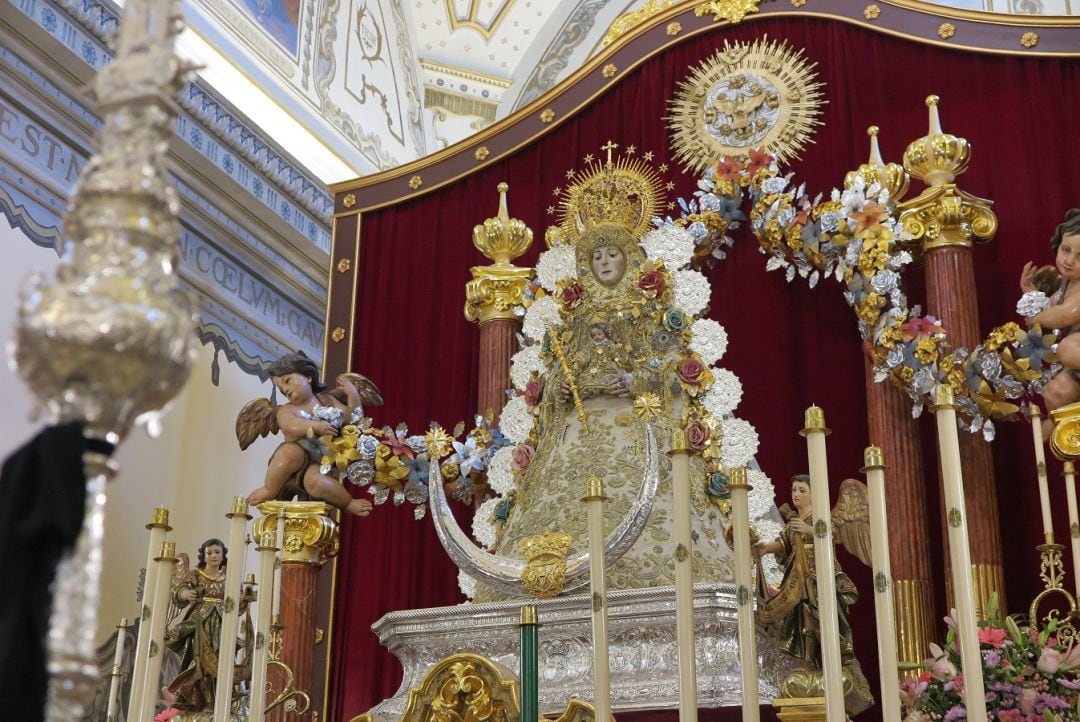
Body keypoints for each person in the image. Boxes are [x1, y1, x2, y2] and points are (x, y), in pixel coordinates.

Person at [239, 352, 377, 516]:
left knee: (316, 483)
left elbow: (353, 420)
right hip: (297, 451)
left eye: (287, 381)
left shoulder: (327, 401)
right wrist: (315, 426)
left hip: (318, 461)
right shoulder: (286, 410)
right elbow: (290, 426)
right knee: (288, 454)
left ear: (308, 377)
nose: (285, 390)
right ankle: (269, 489)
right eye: (281, 389)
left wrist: (353, 395)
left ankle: (347, 502)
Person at [165, 539, 252, 712]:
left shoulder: (229, 578)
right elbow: (179, 590)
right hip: (199, 624)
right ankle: (200, 699)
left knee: (222, 658)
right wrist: (185, 593)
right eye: (210, 552)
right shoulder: (196, 574)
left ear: (223, 555)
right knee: (199, 662)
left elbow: (237, 603)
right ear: (204, 555)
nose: (213, 556)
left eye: (217, 552)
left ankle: (219, 699)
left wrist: (245, 597)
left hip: (221, 625)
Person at [1019, 209, 1080, 435]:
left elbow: (1064, 315)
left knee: (1067, 347)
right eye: (1066, 250)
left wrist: (1036, 317)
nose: (1070, 261)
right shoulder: (1064, 285)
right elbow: (1050, 309)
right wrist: (1031, 296)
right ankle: (1061, 427)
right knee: (1054, 391)